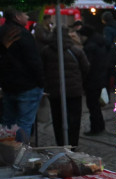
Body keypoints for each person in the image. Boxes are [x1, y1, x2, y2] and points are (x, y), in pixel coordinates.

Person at [36, 18, 90, 147]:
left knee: (58, 119)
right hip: (74, 91)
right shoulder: (76, 51)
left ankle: (60, 144)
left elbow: (41, 70)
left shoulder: (46, 51)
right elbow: (86, 68)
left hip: (55, 92)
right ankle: (73, 144)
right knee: (74, 119)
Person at [0, 9, 46, 143]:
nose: (27, 17)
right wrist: (41, 82)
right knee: (24, 123)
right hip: (27, 85)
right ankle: (20, 155)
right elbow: (33, 61)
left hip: (8, 85)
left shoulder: (2, 31)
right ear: (17, 17)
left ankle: (7, 153)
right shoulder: (23, 34)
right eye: (25, 14)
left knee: (9, 122)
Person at [80, 25, 111, 135]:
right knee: (96, 106)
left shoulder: (89, 47)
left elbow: (87, 66)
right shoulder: (100, 44)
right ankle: (100, 125)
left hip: (92, 81)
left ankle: (95, 128)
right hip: (100, 78)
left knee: (93, 105)